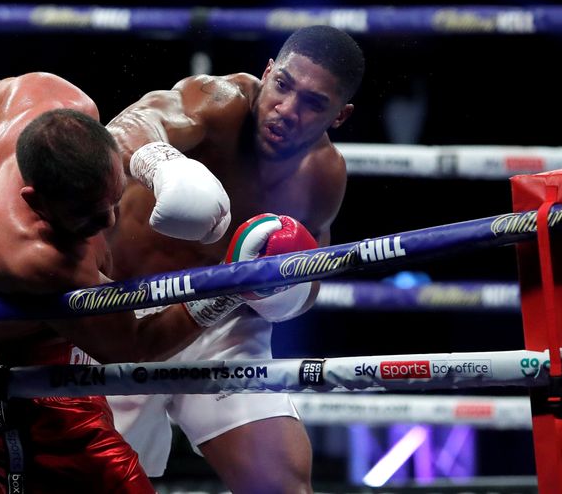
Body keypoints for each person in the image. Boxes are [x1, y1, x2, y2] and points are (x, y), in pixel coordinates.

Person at [0, 72, 305, 493]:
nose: (108, 220)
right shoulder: (33, 257)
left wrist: (154, 162)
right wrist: (228, 287)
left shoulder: (47, 94)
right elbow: (132, 346)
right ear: (34, 200)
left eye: (113, 198)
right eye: (88, 218)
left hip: (47, 353)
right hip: (12, 388)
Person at [100, 25, 365, 493]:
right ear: (267, 73)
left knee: (283, 483)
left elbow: (312, 276)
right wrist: (166, 165)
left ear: (339, 116)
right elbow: (125, 128)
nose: (286, 109)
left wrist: (285, 293)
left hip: (220, 323)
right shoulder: (217, 101)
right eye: (283, 85)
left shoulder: (323, 176)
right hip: (124, 313)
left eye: (312, 103)